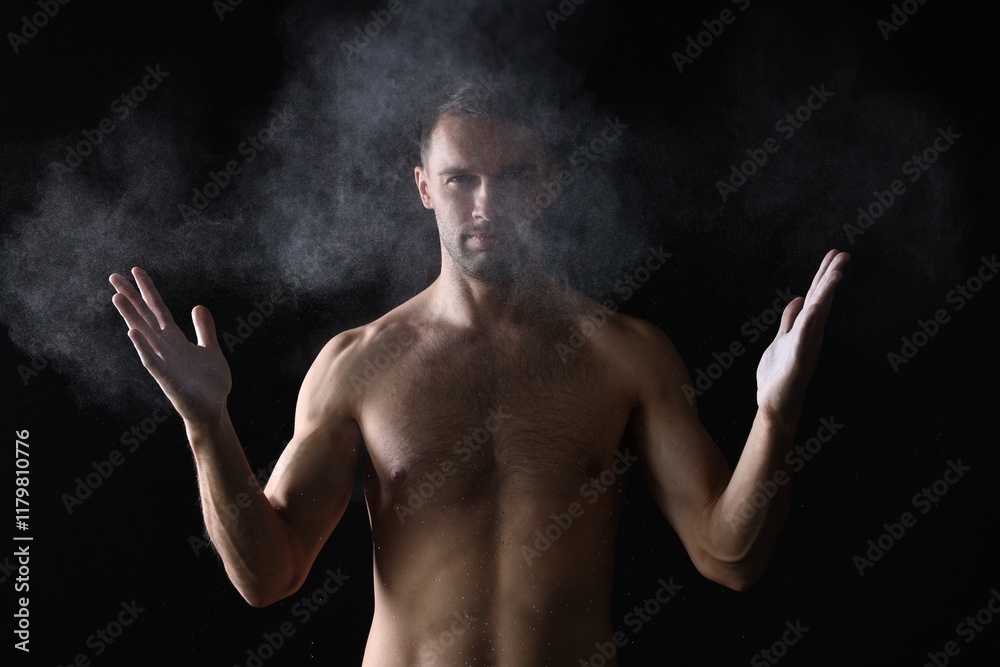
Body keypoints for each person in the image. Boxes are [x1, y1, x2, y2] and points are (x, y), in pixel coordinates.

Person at [109, 79, 848, 666]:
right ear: (424, 186)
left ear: (551, 185)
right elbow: (268, 577)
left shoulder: (623, 352)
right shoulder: (358, 362)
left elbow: (729, 557)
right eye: (461, 178)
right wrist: (206, 425)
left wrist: (775, 418)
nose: (486, 204)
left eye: (513, 176)